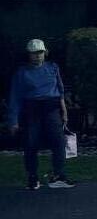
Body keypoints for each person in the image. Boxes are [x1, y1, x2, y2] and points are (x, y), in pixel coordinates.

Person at [7, 40, 74, 192]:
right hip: (32, 109)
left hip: (51, 108)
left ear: (45, 53)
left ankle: (59, 176)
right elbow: (15, 97)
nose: (37, 56)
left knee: (58, 142)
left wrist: (64, 111)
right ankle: (32, 177)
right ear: (29, 55)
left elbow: (60, 90)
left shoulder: (52, 67)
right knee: (31, 143)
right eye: (34, 53)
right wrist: (13, 121)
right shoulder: (22, 72)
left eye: (40, 52)